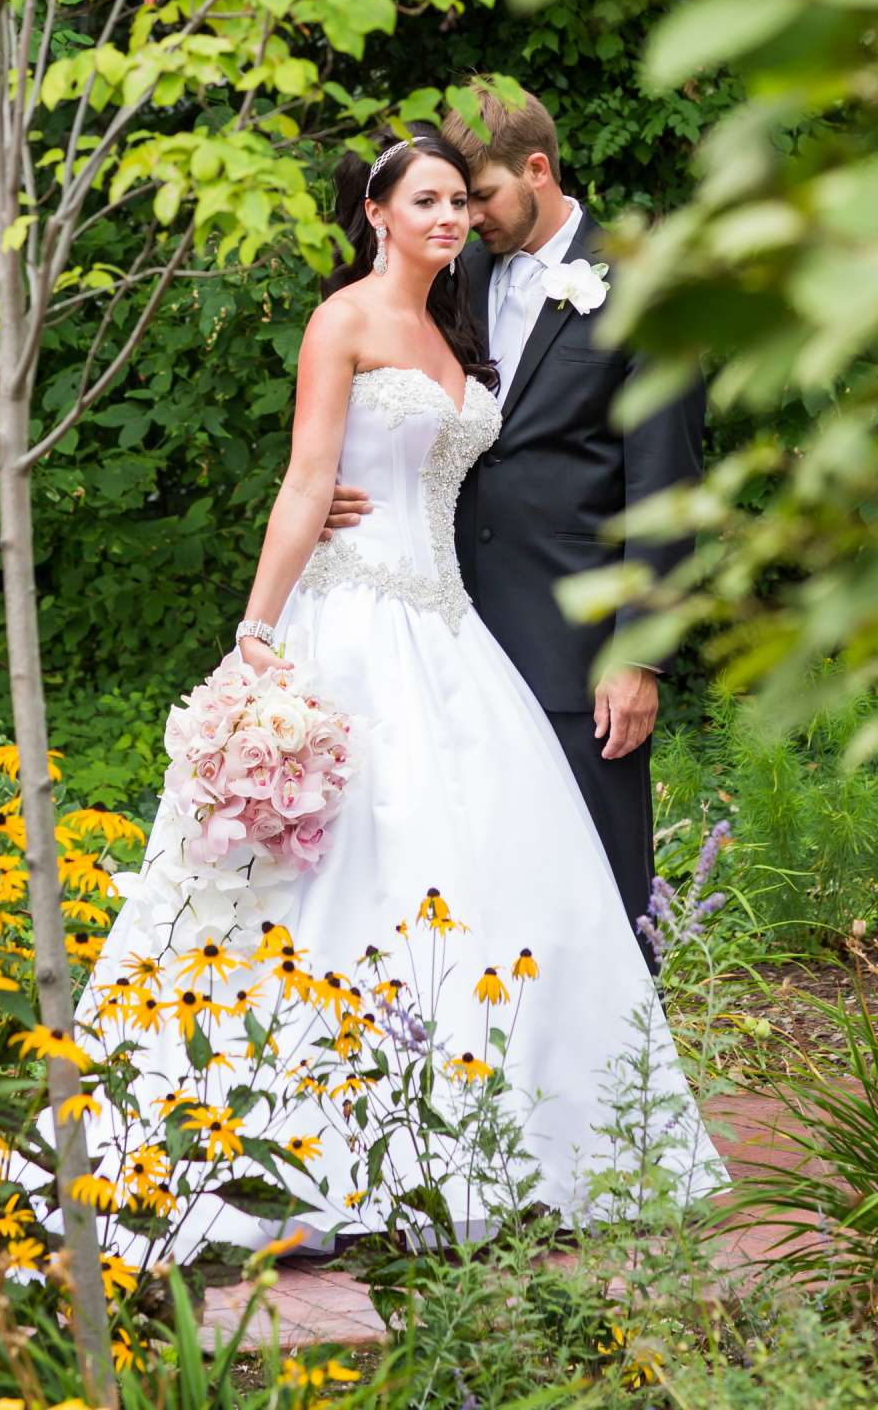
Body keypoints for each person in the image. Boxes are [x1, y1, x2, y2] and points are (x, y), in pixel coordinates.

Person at [82, 128, 722, 1261]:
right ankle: (273, 1150)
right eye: (425, 200)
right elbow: (303, 481)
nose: (450, 219)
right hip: (355, 625)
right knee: (329, 874)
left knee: (489, 874)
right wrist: (257, 634)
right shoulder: (345, 319)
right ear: (373, 212)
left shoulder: (450, 320)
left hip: (454, 631)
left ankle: (498, 1145)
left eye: (457, 202)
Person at [325, 83, 705, 938]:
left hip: (575, 634)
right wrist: (329, 494)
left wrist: (639, 653)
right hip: (445, 631)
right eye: (453, 198)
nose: (467, 217)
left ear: (537, 169)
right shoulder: (454, 271)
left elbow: (667, 485)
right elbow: (369, 385)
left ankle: (621, 1072)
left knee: (600, 889)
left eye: (482, 195)